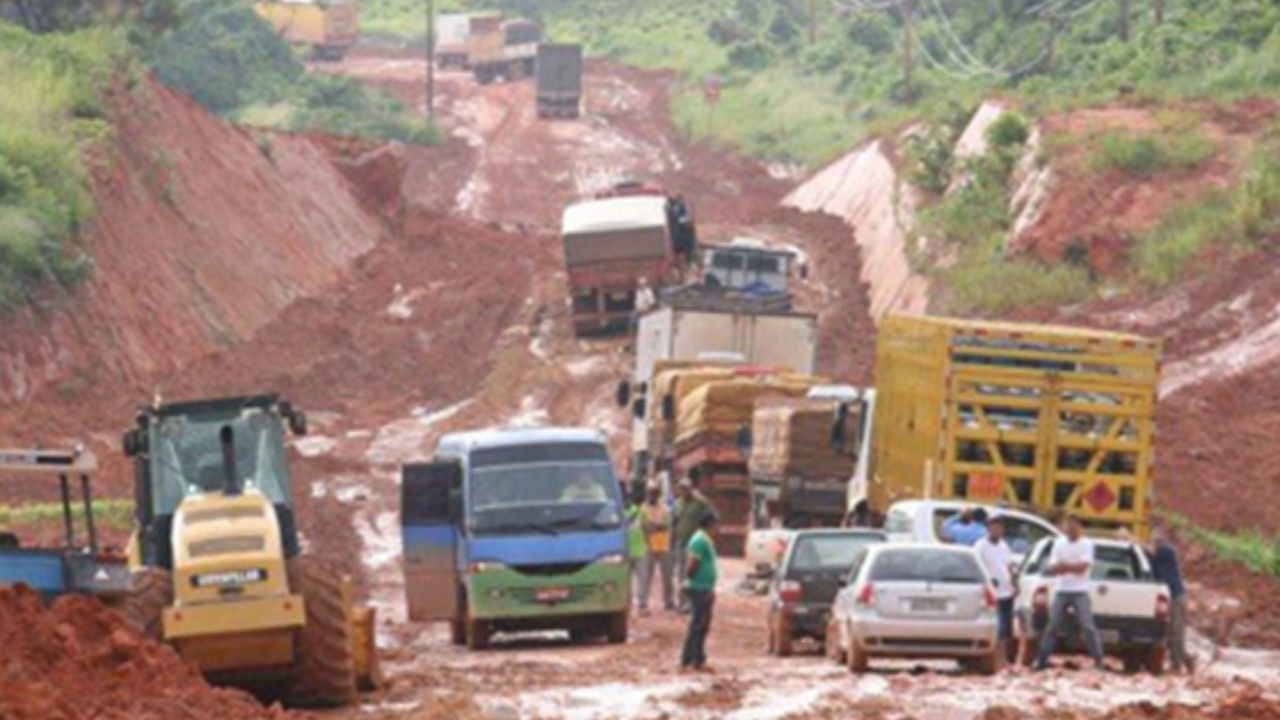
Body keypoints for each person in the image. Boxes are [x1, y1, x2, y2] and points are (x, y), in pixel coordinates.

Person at [1034, 515, 1104, 671]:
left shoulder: (1087, 544)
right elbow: (1053, 567)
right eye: (1068, 526)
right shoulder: (1058, 544)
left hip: (1080, 590)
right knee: (1052, 626)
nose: (1070, 529)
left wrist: (1064, 567)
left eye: (1073, 526)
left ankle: (1098, 660)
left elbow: (1083, 568)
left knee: (1087, 626)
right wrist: (1070, 567)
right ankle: (1041, 660)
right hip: (1061, 590)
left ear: (1080, 527)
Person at [1149, 526, 1195, 674]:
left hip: (1176, 596)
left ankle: (1177, 665)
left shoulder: (1167, 551)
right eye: (1154, 541)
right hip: (1165, 597)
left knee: (1176, 632)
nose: (1155, 543)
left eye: (1157, 541)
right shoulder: (1154, 557)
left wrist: (1131, 539)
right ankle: (1187, 660)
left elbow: (1153, 552)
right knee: (1169, 634)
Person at [974, 515, 1018, 664]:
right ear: (988, 528)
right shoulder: (981, 546)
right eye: (993, 527)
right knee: (998, 627)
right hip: (993, 592)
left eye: (999, 527)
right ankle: (997, 660)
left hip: (1007, 591)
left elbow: (1009, 565)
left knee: (1007, 628)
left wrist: (1014, 581)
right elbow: (977, 566)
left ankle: (1005, 659)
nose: (996, 530)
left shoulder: (1004, 546)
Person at [680, 511, 718, 673]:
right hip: (699, 587)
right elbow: (692, 564)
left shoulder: (703, 539)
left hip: (703, 586)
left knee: (700, 624)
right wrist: (690, 579)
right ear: (710, 524)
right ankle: (694, 658)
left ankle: (693, 657)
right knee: (699, 624)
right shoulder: (699, 540)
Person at [635, 481, 675, 615]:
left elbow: (666, 525)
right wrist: (656, 526)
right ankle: (642, 604)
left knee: (667, 577)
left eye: (655, 493)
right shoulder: (642, 509)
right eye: (651, 492)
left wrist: (654, 526)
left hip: (664, 545)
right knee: (645, 577)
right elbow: (645, 527)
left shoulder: (665, 509)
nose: (653, 495)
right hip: (647, 547)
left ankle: (669, 602)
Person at [673, 477, 712, 612]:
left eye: (686, 489)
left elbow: (711, 516)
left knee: (691, 572)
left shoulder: (699, 503)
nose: (684, 491)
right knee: (681, 572)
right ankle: (681, 601)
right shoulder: (677, 504)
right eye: (682, 489)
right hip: (680, 542)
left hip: (694, 543)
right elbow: (674, 522)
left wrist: (705, 531)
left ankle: (690, 602)